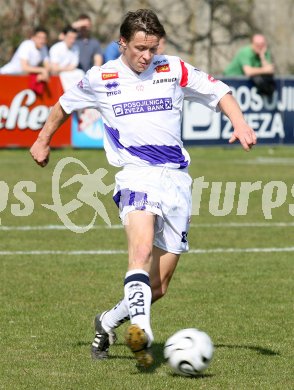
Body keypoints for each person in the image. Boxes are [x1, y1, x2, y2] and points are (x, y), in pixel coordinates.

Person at [30, 9, 257, 368]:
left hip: (176, 180)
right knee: (139, 253)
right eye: (139, 48)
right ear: (122, 42)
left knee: (160, 285)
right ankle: (142, 330)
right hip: (135, 175)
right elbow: (63, 105)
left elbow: (219, 91)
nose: (146, 56)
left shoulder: (173, 68)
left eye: (152, 48)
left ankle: (106, 322)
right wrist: (43, 140)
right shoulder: (101, 76)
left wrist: (240, 122)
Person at [49, 25, 84, 91]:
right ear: (64, 36)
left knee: (80, 73)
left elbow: (73, 66)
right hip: (58, 75)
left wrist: (63, 68)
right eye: (70, 37)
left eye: (74, 38)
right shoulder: (56, 48)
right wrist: (66, 68)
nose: (72, 40)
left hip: (70, 72)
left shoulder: (76, 48)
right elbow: (54, 68)